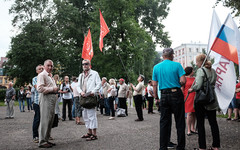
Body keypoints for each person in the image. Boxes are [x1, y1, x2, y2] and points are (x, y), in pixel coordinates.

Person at [152, 48, 186, 150]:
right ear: (172, 55)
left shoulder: (156, 67)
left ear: (163, 56)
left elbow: (154, 84)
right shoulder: (177, 65)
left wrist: (156, 97)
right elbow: (183, 81)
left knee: (164, 122)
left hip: (163, 95)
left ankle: (163, 147)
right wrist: (177, 84)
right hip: (176, 93)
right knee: (179, 121)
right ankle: (180, 147)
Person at [188, 54, 220, 150]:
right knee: (213, 123)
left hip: (201, 100)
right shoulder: (213, 71)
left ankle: (202, 147)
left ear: (201, 62)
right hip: (211, 98)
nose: (196, 64)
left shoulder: (200, 71)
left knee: (200, 124)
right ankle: (215, 146)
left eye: (197, 62)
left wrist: (191, 89)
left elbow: (198, 86)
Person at [77, 59, 101, 141]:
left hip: (91, 97)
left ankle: (94, 134)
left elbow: (99, 84)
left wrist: (93, 92)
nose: (85, 65)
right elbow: (77, 86)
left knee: (92, 115)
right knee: (85, 116)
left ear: (89, 65)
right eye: (83, 64)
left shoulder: (94, 73)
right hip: (83, 97)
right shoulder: (80, 75)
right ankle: (89, 132)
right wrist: (81, 92)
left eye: (86, 64)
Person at [37, 59, 59, 148]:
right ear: (44, 66)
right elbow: (40, 89)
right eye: (48, 65)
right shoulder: (42, 75)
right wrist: (52, 89)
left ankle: (46, 139)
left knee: (50, 119)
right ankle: (42, 141)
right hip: (46, 98)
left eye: (51, 66)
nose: (50, 67)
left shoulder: (50, 76)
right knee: (45, 119)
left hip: (52, 98)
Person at [182, 66, 197, 136]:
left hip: (195, 96)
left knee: (194, 113)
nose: (193, 71)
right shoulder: (184, 78)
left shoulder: (195, 79)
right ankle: (188, 130)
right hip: (187, 97)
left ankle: (193, 128)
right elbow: (182, 88)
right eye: (192, 70)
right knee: (189, 113)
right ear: (190, 71)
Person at [32, 64, 44, 143]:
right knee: (37, 119)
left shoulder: (46, 78)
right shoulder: (35, 79)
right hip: (37, 102)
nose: (41, 70)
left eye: (42, 68)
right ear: (37, 71)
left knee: (46, 119)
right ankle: (35, 136)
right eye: (39, 69)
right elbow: (38, 88)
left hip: (45, 102)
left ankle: (45, 135)